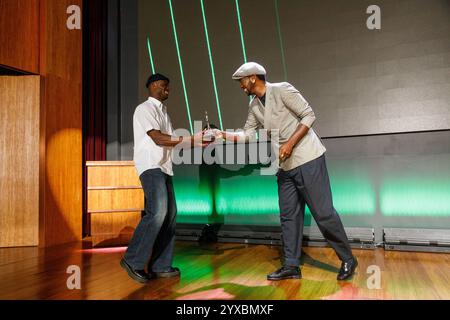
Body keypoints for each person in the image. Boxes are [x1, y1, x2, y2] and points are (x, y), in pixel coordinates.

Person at [219, 62, 358, 281]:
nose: (241, 86)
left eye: (242, 81)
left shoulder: (282, 89)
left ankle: (348, 258)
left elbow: (309, 115)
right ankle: (291, 265)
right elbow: (247, 135)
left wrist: (290, 143)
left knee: (323, 213)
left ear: (253, 77)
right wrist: (221, 134)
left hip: (307, 158)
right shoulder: (254, 106)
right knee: (288, 217)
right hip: (285, 167)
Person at [120, 73, 210, 284]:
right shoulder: (144, 109)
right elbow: (158, 138)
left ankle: (160, 265)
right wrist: (192, 139)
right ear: (152, 86)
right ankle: (132, 260)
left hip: (164, 168)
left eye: (168, 86)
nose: (167, 89)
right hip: (150, 166)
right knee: (157, 212)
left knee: (170, 216)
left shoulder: (164, 113)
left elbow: (172, 141)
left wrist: (197, 143)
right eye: (163, 85)